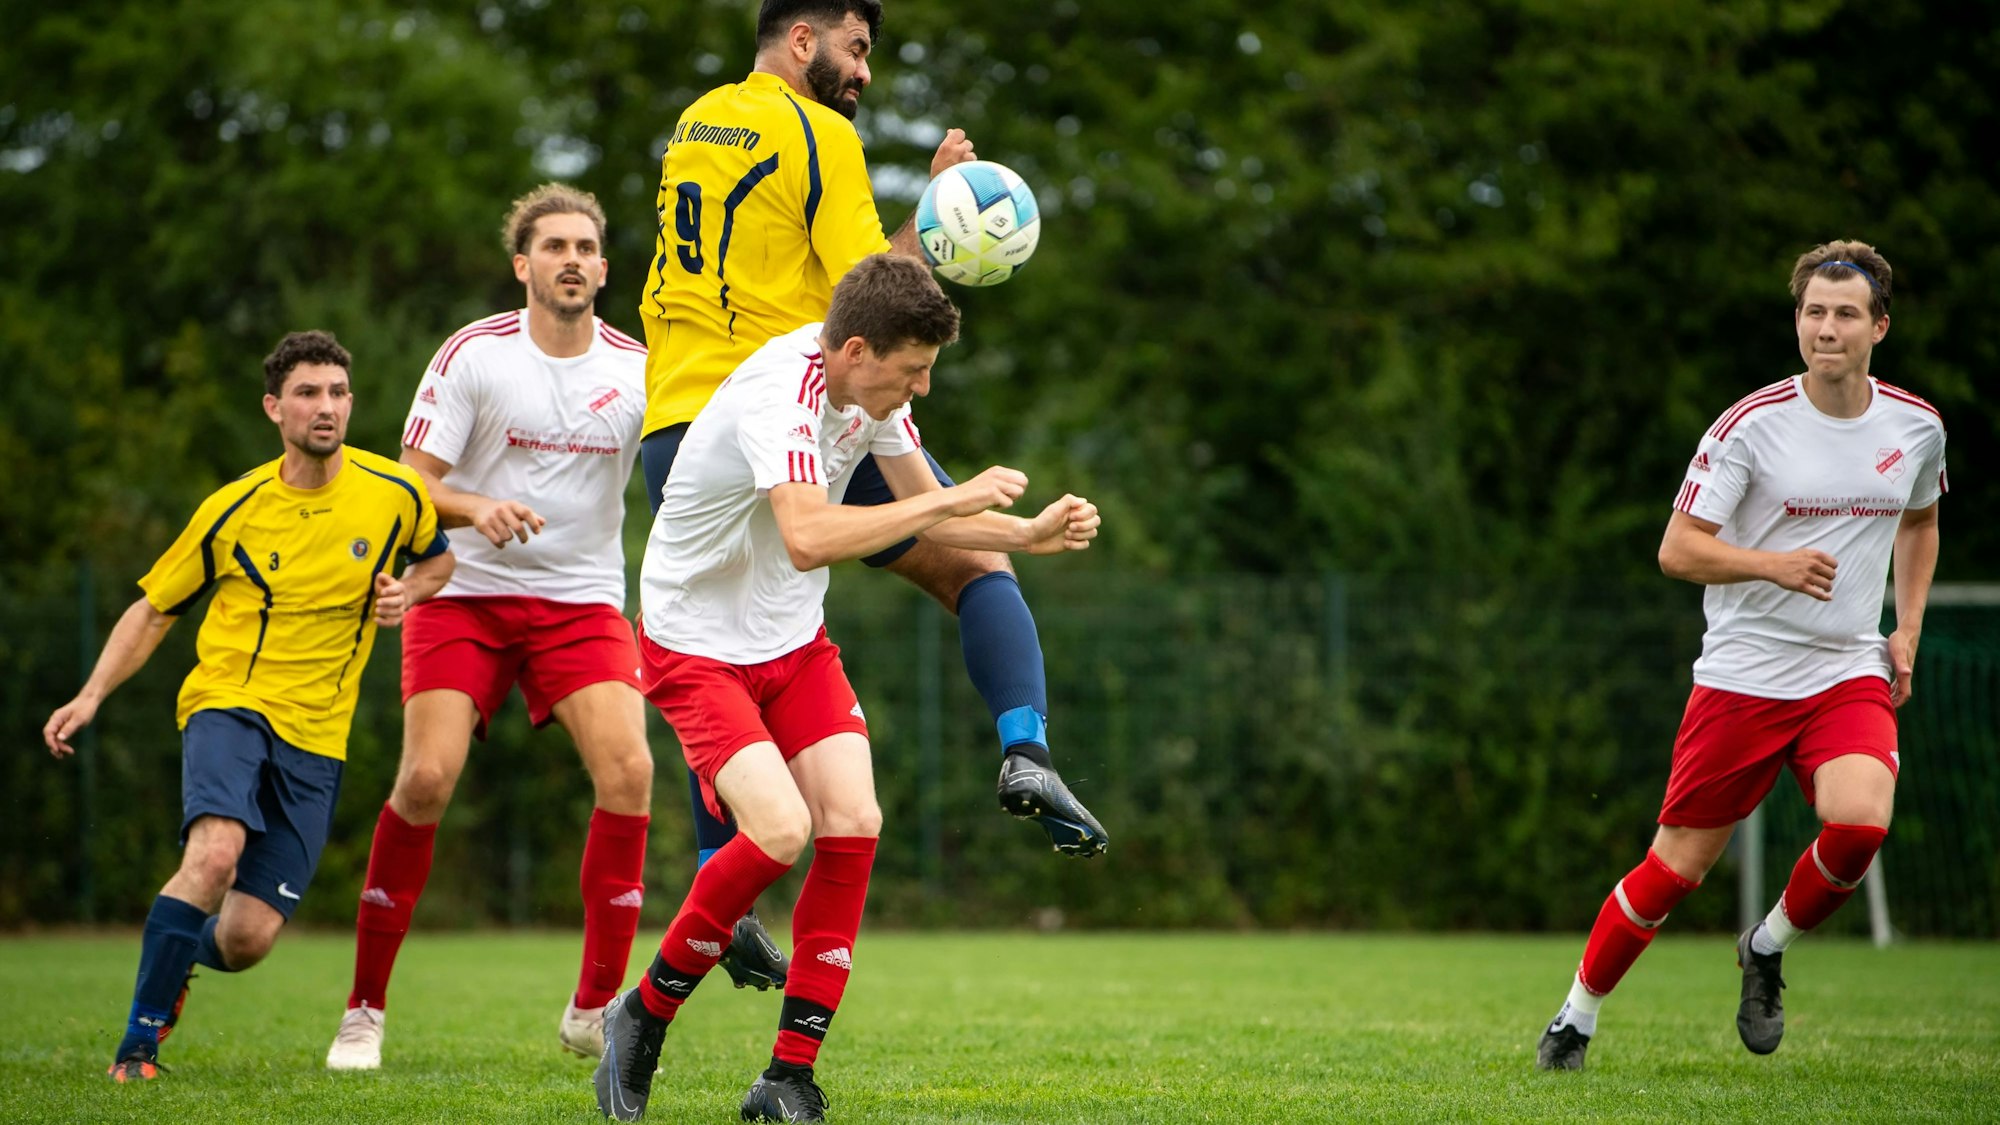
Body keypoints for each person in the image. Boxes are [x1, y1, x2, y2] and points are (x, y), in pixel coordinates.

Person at [636, 0, 1107, 991]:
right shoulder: (817, 131)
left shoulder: (698, 121)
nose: (862, 73)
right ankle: (1024, 747)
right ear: (802, 39)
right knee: (975, 562)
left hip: (677, 426)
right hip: (788, 411)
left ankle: (720, 888)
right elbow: (874, 289)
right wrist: (939, 214)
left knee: (709, 642)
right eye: (854, 49)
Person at [594, 254, 1099, 1121]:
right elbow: (809, 536)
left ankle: (787, 1076)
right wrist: (953, 504)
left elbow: (927, 499)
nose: (921, 388)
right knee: (780, 829)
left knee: (854, 820)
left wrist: (1026, 532)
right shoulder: (780, 392)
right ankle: (642, 1013)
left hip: (792, 641)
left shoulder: (872, 394)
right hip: (697, 645)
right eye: (913, 371)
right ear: (857, 350)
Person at [1536, 241, 1947, 1070]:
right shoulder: (1751, 426)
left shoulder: (1917, 426)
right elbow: (1677, 549)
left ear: (1879, 327)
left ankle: (1766, 944)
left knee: (1861, 822)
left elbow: (1920, 521)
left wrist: (1905, 628)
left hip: (1845, 667)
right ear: (1797, 321)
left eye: (1845, 314)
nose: (1826, 328)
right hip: (1745, 672)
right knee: (1675, 870)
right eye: (1814, 312)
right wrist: (1772, 565)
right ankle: (1576, 1017)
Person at [43, 331, 454, 1082]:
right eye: (307, 393)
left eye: (337, 392)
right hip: (230, 704)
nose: (325, 407)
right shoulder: (234, 508)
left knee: (245, 940)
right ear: (274, 407)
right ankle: (137, 1048)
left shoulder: (395, 493)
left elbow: (437, 560)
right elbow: (154, 610)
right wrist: (90, 694)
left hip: (318, 737)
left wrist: (407, 592)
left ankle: (178, 956)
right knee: (213, 855)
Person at [324, 184, 654, 1070]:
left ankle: (595, 1008)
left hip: (581, 600)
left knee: (630, 771)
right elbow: (410, 483)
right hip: (463, 592)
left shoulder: (640, 368)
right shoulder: (475, 354)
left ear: (604, 269)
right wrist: (477, 509)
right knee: (427, 777)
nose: (571, 260)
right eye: (554, 247)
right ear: (522, 265)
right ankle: (363, 1011)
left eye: (585, 248)